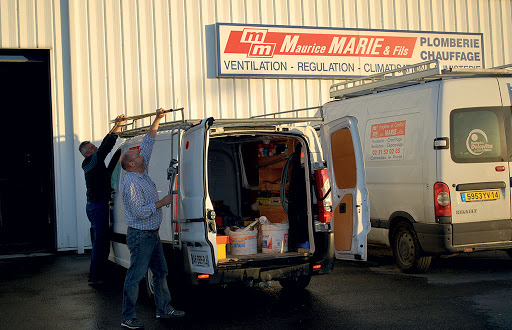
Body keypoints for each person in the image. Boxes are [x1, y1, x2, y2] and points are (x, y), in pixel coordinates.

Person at [120, 108, 185, 329]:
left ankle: (164, 309)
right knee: (135, 276)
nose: (141, 155)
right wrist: (163, 201)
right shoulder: (131, 183)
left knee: (160, 272)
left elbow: (148, 142)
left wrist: (158, 119)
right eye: (137, 156)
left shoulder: (140, 170)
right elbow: (140, 211)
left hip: (151, 234)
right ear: (131, 164)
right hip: (141, 236)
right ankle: (127, 317)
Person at [79, 114, 127, 285]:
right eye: (93, 147)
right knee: (100, 242)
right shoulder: (90, 162)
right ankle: (96, 276)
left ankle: (99, 273)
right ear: (87, 153)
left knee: (101, 240)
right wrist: (118, 127)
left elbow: (105, 143)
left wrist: (116, 126)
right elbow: (107, 146)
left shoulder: (94, 160)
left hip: (96, 205)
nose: (96, 147)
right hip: (97, 206)